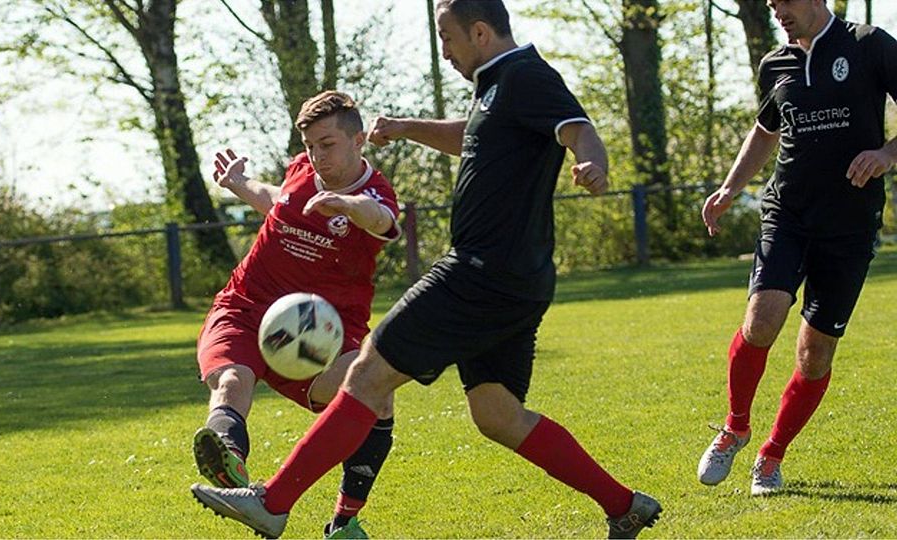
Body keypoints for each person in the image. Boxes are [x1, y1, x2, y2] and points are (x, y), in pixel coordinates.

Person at [191, 1, 662, 538]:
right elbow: (473, 136)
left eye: (447, 38)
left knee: (368, 373)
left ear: (480, 32)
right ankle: (623, 504)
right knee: (497, 414)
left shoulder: (526, 74)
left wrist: (593, 161)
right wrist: (406, 126)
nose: (444, 51)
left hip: (477, 272)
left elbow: (577, 127)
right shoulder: (497, 89)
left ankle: (273, 503)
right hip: (521, 280)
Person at [697, 0, 897, 496]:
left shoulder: (869, 44)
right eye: (770, 5)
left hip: (849, 224)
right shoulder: (776, 63)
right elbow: (765, 131)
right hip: (787, 213)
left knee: (814, 355)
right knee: (761, 320)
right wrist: (730, 188)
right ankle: (735, 427)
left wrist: (887, 153)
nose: (778, 12)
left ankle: (771, 456)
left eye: (785, 1)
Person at [191, 90, 401, 538]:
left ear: (358, 139)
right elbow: (278, 199)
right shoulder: (302, 171)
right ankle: (227, 458)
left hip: (319, 334)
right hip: (246, 307)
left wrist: (348, 205)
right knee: (231, 381)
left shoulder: (377, 193)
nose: (317, 155)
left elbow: (380, 219)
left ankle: (344, 523)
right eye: (309, 146)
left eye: (327, 144)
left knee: (377, 394)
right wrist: (238, 184)